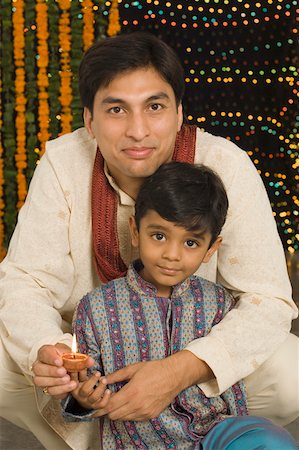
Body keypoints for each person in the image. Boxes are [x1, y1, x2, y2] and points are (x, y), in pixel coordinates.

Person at [0, 31, 298, 450]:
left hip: (195, 349)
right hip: (92, 363)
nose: (138, 131)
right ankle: (108, 437)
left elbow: (267, 298)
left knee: (293, 374)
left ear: (178, 113)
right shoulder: (65, 161)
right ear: (89, 120)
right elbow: (25, 280)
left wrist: (181, 369)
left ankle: (203, 434)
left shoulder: (223, 164)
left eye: (154, 107)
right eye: (117, 109)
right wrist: (47, 352)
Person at [61, 161, 297, 449]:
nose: (172, 254)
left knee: (270, 439)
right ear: (135, 231)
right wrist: (84, 398)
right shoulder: (96, 309)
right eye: (158, 236)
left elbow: (233, 391)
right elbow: (86, 388)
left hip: (214, 435)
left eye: (191, 243)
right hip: (142, 442)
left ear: (211, 248)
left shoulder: (218, 304)